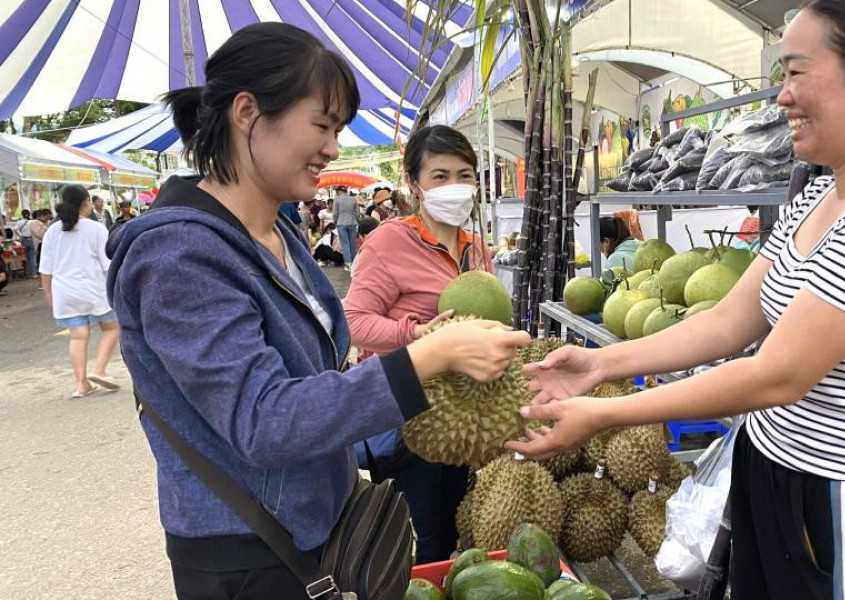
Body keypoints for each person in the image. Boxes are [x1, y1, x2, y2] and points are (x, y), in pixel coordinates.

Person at [511, 1, 845, 598]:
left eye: (797, 72)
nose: (782, 97)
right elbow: (732, 320)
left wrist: (601, 413)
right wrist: (601, 365)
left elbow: (777, 375)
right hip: (770, 471)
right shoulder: (818, 197)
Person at [107, 23, 529, 598]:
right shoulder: (180, 257)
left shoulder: (278, 229)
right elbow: (265, 422)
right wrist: (422, 358)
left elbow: (312, 374)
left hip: (320, 525)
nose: (332, 147)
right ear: (248, 112)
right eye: (322, 125)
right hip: (250, 554)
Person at [343, 124, 493, 563]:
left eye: (465, 175)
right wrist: (417, 334)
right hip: (407, 409)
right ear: (414, 182)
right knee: (419, 538)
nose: (455, 186)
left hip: (465, 410)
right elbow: (352, 321)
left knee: (454, 526)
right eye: (440, 176)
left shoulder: (475, 248)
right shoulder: (390, 241)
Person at [39, 186, 121, 398]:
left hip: (64, 291)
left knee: (78, 337)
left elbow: (45, 269)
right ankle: (99, 369)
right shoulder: (96, 229)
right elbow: (107, 265)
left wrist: (49, 294)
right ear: (86, 202)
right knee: (111, 328)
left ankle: (81, 384)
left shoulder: (52, 231)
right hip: (93, 288)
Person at [331, 185, 358, 270]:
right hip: (353, 222)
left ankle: (348, 264)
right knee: (353, 243)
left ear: (339, 191)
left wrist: (335, 221)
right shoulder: (353, 199)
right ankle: (354, 262)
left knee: (345, 244)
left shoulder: (337, 199)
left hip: (341, 223)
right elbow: (357, 212)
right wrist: (355, 219)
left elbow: (335, 213)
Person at [30, 209, 50, 289]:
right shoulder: (34, 223)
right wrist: (48, 231)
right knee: (41, 264)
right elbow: (39, 234)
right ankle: (42, 283)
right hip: (40, 245)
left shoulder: (49, 222)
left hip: (49, 246)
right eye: (46, 216)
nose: (47, 218)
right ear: (40, 215)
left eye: (49, 216)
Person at [14, 209, 35, 277]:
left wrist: (20, 235)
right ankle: (34, 274)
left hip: (24, 240)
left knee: (25, 258)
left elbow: (15, 229)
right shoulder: (32, 221)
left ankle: (27, 273)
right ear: (29, 214)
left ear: (22, 214)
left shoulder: (19, 222)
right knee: (32, 258)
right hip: (31, 240)